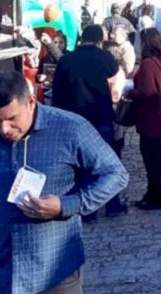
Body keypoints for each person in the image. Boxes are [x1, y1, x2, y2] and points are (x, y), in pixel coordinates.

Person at [0, 71, 128, 294]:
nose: (4, 129)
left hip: (56, 274)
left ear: (31, 102)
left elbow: (116, 174)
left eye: (11, 119)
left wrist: (67, 205)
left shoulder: (71, 129)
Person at [51, 25, 128, 218]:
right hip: (100, 115)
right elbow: (114, 72)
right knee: (106, 163)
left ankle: (86, 210)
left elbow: (57, 91)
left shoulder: (66, 59)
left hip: (73, 119)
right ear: (99, 40)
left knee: (78, 164)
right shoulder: (103, 57)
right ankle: (112, 205)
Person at [129, 29, 161, 210]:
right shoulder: (160, 61)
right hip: (157, 115)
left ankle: (157, 196)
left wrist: (131, 92)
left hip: (150, 117)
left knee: (152, 158)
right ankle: (154, 192)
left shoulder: (149, 63)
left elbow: (148, 91)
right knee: (154, 157)